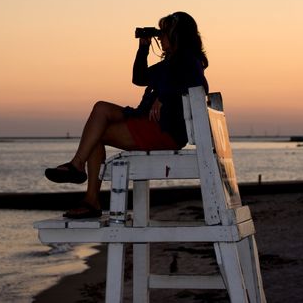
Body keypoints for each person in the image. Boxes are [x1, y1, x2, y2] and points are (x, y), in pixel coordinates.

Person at [45, 11, 209, 218]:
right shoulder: (170, 63)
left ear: (178, 35)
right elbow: (139, 78)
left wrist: (166, 96)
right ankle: (77, 167)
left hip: (164, 130)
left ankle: (90, 198)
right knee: (100, 108)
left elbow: (199, 86)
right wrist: (143, 47)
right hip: (146, 120)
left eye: (164, 33)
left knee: (96, 134)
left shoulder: (188, 60)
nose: (160, 37)